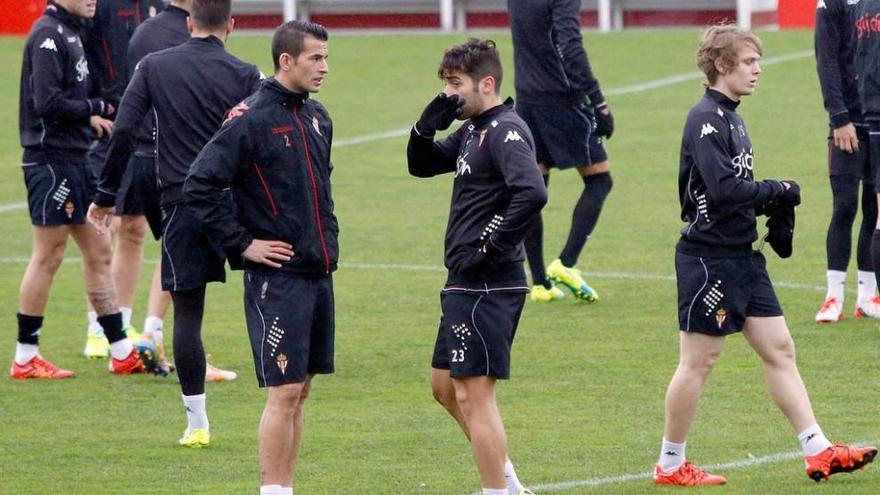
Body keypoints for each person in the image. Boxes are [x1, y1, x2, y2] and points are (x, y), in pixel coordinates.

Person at [654, 25, 877, 486]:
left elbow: (735, 190)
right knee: (698, 362)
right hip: (707, 258)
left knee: (780, 350)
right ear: (722, 65)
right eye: (749, 61)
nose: (758, 70)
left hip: (743, 256)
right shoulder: (706, 118)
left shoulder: (733, 116)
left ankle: (817, 450)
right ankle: (671, 464)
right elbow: (724, 190)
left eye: (758, 61)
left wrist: (773, 202)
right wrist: (779, 191)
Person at [88, 0, 262, 446]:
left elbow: (124, 130)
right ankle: (283, 395)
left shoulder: (154, 66)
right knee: (268, 293)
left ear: (189, 23)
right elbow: (260, 137)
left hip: (181, 201)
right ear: (232, 25)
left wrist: (106, 196)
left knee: (188, 311)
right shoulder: (246, 73)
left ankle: (196, 423)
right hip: (233, 203)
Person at [184, 20, 336, 495]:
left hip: (318, 272)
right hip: (278, 279)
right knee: (284, 390)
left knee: (301, 391)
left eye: (326, 58)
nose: (325, 67)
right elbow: (200, 185)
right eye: (316, 58)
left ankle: (284, 487)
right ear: (285, 60)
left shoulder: (319, 117)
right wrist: (243, 243)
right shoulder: (249, 117)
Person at [407, 38, 546, 495]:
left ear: (486, 84)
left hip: (489, 283)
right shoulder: (472, 131)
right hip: (464, 282)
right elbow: (421, 167)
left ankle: (497, 491)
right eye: (444, 84)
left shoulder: (505, 130)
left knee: (474, 394)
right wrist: (424, 128)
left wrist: (489, 246)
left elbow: (532, 192)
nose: (449, 94)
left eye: (455, 84)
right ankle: (507, 481)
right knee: (444, 387)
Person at [12, 0, 146, 379]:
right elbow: (46, 102)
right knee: (49, 254)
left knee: (100, 249)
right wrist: (95, 107)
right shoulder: (47, 35)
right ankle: (25, 356)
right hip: (50, 161)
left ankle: (120, 351)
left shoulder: (72, 31)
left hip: (75, 157)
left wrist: (91, 117)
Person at [508, 0, 614, 304]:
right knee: (599, 180)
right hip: (562, 100)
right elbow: (571, 45)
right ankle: (566, 264)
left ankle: (540, 283)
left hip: (527, 98)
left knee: (535, 188)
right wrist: (598, 101)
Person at [80, 0, 164, 355]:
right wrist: (89, 109)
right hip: (110, 125)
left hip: (147, 127)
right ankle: (97, 326)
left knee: (135, 227)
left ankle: (120, 324)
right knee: (106, 225)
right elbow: (77, 60)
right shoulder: (100, 6)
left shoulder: (158, 6)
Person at [814, 0, 879, 322]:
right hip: (847, 122)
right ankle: (833, 296)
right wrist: (839, 117)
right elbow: (826, 61)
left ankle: (868, 296)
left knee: (874, 207)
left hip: (877, 119)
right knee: (844, 206)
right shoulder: (831, 3)